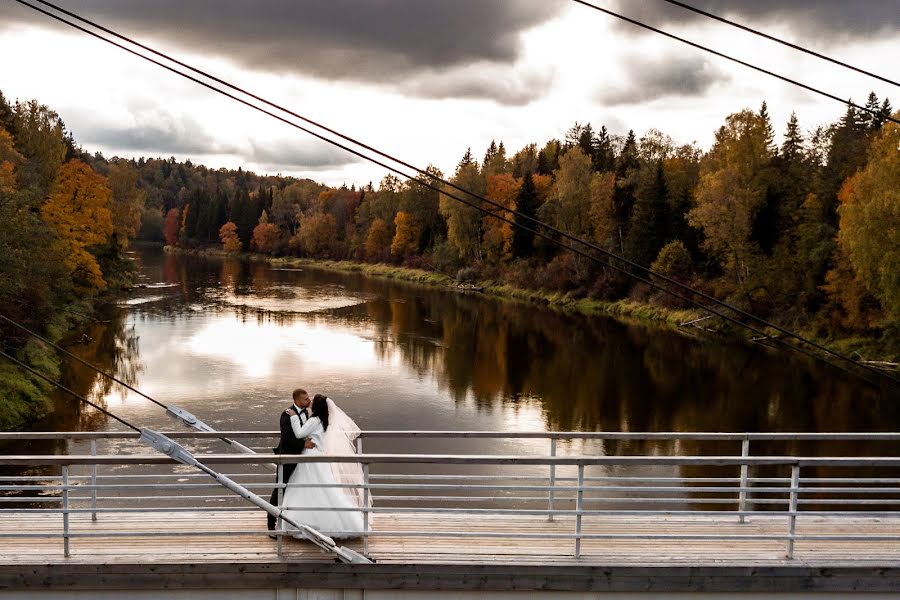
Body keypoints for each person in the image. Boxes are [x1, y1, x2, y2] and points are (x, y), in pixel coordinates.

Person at [280, 394, 368, 538]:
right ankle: (324, 522)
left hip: (310, 458)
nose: (311, 401)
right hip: (319, 457)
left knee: (308, 489)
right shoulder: (324, 420)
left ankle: (308, 522)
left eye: (313, 400)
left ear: (317, 406)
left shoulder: (314, 420)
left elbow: (299, 433)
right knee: (322, 489)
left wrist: (294, 417)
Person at [267, 388, 314, 533]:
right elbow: (287, 437)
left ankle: (295, 521)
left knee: (298, 488)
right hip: (287, 457)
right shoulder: (286, 414)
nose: (308, 401)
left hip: (302, 457)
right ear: (296, 400)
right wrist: (304, 444)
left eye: (308, 398)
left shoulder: (305, 412)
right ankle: (271, 524)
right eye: (305, 399)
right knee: (280, 488)